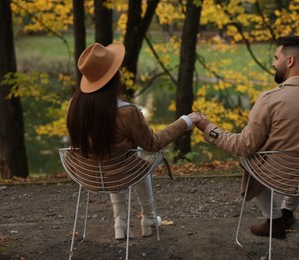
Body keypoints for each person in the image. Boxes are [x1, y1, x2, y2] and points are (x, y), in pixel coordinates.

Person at [196, 35, 299, 239]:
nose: (273, 63)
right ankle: (287, 213)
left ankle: (274, 219)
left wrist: (209, 128)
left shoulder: (270, 99)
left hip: (276, 176)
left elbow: (244, 146)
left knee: (247, 157)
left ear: (290, 61)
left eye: (276, 58)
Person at [66, 42, 202, 240]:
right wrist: (185, 121)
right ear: (114, 78)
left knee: (121, 160)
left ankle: (120, 222)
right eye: (116, 68)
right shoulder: (127, 112)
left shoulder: (74, 107)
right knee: (137, 163)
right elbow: (153, 144)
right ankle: (148, 217)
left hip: (89, 176)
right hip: (121, 174)